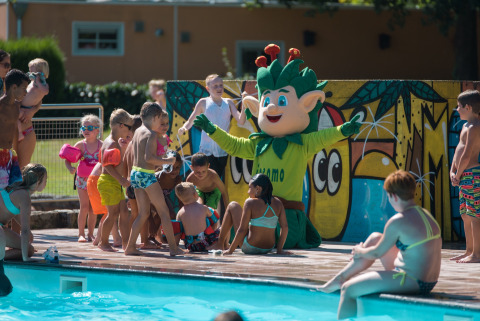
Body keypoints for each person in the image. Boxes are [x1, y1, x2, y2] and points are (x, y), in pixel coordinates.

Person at [318, 170, 442, 320]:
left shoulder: (398, 220)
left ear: (394, 196)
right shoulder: (426, 214)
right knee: (376, 237)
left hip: (411, 281)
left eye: (388, 197)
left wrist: (359, 251)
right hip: (428, 281)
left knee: (348, 289)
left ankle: (341, 281)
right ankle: (340, 277)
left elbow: (376, 254)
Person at [125, 102, 184, 256]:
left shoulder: (138, 130)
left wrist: (160, 159)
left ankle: (130, 247)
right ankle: (173, 248)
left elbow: (142, 156)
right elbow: (149, 158)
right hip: (146, 175)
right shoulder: (150, 133)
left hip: (136, 174)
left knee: (143, 213)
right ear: (156, 117)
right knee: (164, 211)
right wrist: (168, 161)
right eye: (160, 119)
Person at [178, 74, 246, 179]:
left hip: (223, 148)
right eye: (215, 86)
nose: (219, 88)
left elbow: (241, 120)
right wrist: (184, 128)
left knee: (217, 178)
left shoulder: (228, 103)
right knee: (206, 178)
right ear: (208, 88)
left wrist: (245, 103)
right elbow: (191, 120)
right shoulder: (203, 102)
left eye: (221, 85)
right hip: (206, 149)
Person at [0, 163, 47, 296]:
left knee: (27, 246)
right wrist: (26, 258)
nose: (46, 183)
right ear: (38, 181)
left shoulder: (17, 189)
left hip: (1, 227)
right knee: (29, 250)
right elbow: (25, 230)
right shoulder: (25, 196)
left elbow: (11, 210)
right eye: (45, 180)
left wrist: (28, 235)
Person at [217, 174, 289, 255]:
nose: (248, 191)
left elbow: (242, 230)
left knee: (233, 205)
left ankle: (220, 244)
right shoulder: (278, 203)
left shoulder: (250, 202)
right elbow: (285, 227)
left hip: (250, 247)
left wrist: (230, 251)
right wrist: (279, 250)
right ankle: (224, 244)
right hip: (268, 248)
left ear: (258, 189)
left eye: (249, 188)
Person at [60, 114, 103, 242]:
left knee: (93, 208)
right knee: (84, 207)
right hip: (82, 180)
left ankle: (90, 233)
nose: (86, 130)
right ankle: (81, 234)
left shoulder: (101, 145)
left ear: (97, 130)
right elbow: (68, 159)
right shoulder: (80, 145)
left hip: (95, 181)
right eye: (83, 128)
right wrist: (70, 168)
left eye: (90, 128)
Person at [450, 89, 480, 263]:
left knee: (475, 215)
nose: (457, 109)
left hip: (471, 174)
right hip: (463, 175)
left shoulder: (475, 126)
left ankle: (476, 254)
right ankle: (469, 251)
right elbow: (458, 152)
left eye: (459, 106)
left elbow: (468, 154)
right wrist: (452, 171)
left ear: (468, 107)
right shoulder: (465, 126)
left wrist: (458, 173)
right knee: (465, 214)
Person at [97, 109, 134, 252]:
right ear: (121, 126)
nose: (130, 131)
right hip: (108, 182)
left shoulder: (115, 142)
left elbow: (117, 162)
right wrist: (121, 180)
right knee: (112, 214)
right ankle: (104, 242)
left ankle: (126, 243)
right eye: (129, 127)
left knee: (124, 212)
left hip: (114, 182)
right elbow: (107, 166)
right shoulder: (111, 143)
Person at [16, 58, 50, 169]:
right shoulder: (29, 84)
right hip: (12, 129)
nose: (30, 74)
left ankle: (20, 132)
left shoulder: (39, 84)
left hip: (27, 123)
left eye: (32, 72)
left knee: (23, 168)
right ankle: (19, 131)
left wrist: (32, 111)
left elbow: (42, 96)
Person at [0, 69, 29, 190]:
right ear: (14, 87)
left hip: (9, 154)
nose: (26, 92)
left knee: (11, 189)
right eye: (24, 88)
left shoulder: (16, 108)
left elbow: (13, 133)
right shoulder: (0, 106)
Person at [175, 182, 220, 252]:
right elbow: (215, 222)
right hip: (206, 243)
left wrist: (176, 246)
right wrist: (211, 232)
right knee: (223, 228)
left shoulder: (179, 213)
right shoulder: (203, 208)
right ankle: (222, 245)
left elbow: (178, 232)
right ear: (195, 195)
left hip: (190, 246)